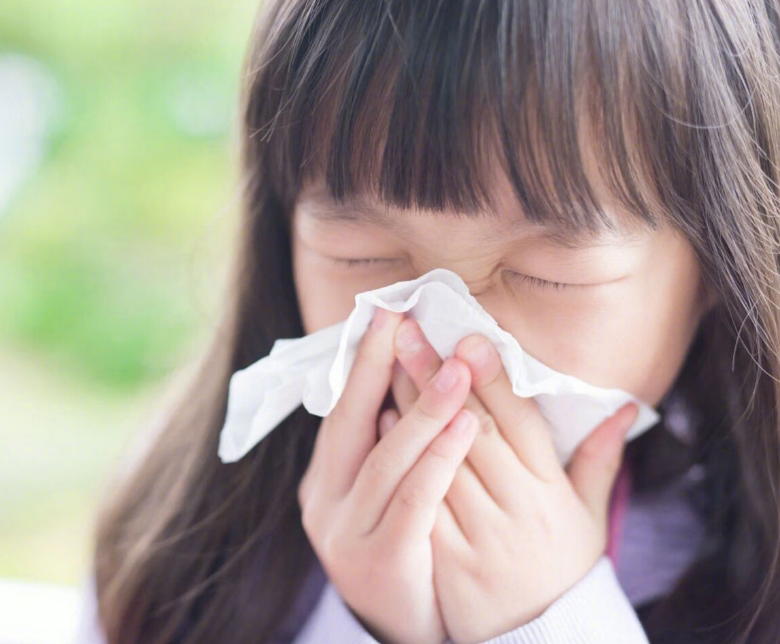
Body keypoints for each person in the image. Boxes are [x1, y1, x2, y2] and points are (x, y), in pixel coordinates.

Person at [73, 0, 780, 642]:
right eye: (361, 254)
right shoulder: (188, 541)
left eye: (550, 274)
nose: (448, 351)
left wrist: (550, 622)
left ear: (722, 263)